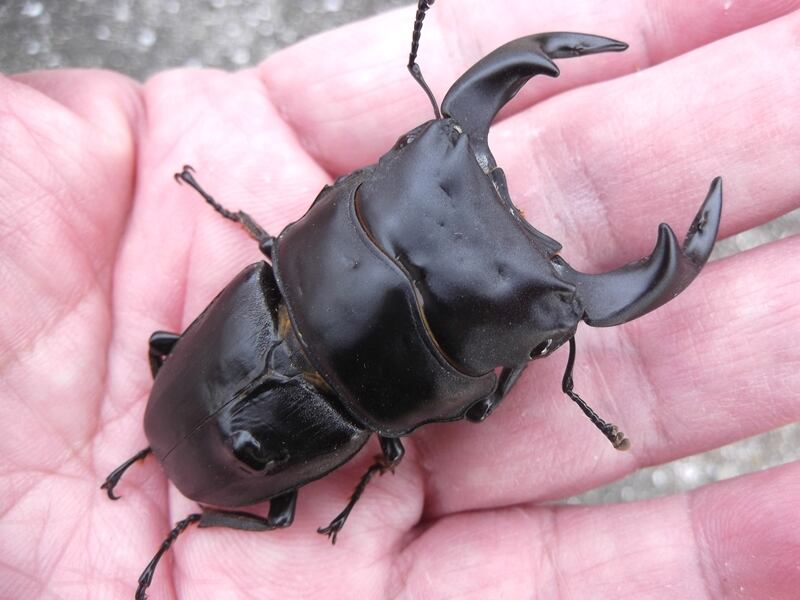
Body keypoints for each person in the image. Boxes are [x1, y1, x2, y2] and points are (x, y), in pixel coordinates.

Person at [1, 2, 798, 598]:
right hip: (265, 425)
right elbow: (476, 408)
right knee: (283, 506)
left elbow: (277, 252)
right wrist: (541, 329)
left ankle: (190, 512)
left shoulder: (266, 277)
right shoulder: (332, 367)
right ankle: (191, 519)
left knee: (199, 354)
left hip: (237, 394)